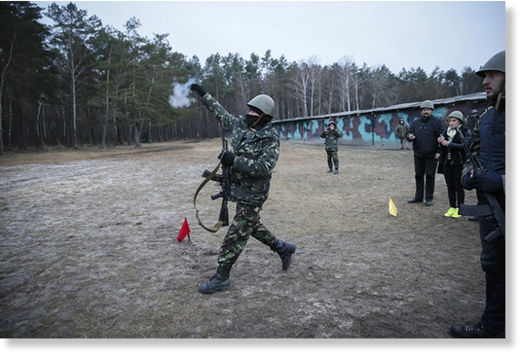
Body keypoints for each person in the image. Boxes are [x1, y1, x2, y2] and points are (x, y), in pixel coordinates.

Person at [190, 83, 296, 294]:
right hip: (239, 189)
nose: (247, 114)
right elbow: (221, 114)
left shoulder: (270, 139)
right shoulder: (241, 125)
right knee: (251, 225)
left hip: (254, 194)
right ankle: (283, 248)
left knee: (237, 233)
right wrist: (204, 94)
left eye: (252, 111)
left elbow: (263, 167)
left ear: (263, 116)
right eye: (248, 110)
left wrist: (234, 160)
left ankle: (222, 276)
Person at [450, 50, 505, 338]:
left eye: (493, 74)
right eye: (484, 76)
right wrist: (467, 177)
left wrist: (503, 181)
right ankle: (493, 325)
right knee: (493, 266)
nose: (486, 80)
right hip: (490, 211)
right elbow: (472, 152)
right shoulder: (486, 118)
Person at [406, 100, 445, 206]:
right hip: (418, 153)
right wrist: (409, 136)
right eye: (424, 110)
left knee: (429, 175)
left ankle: (428, 198)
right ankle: (418, 196)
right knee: (418, 175)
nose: (426, 112)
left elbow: (442, 137)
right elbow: (408, 133)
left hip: (432, 154)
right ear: (421, 111)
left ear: (431, 111)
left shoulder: (437, 122)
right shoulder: (415, 122)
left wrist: (439, 152)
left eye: (428, 110)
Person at [437, 111, 471, 219]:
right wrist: (440, 141)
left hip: (458, 163)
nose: (451, 123)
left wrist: (449, 144)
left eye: (454, 120)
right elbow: (442, 145)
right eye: (449, 121)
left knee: (458, 186)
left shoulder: (465, 131)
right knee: (450, 186)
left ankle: (460, 208)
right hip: (447, 162)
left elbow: (465, 145)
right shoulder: (446, 131)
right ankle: (452, 207)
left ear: (459, 121)